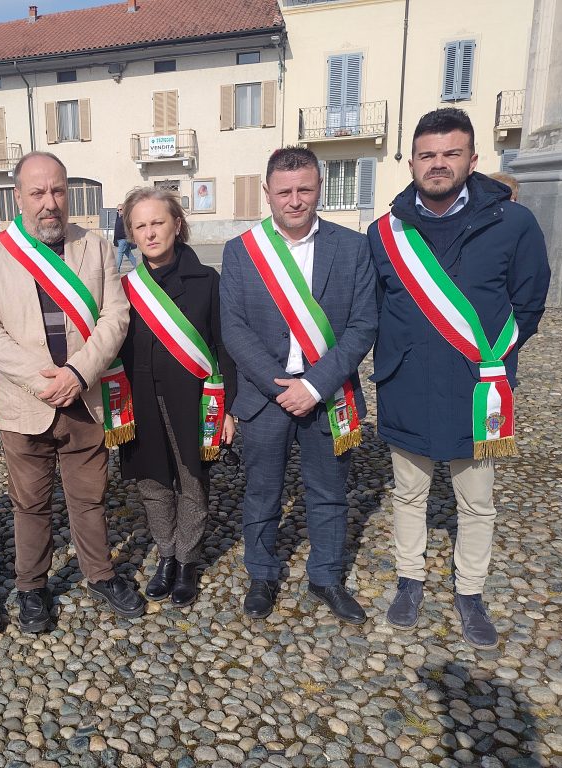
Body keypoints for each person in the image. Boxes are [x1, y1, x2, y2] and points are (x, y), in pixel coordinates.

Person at [367, 108, 550, 649]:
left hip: (479, 389)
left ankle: (470, 591)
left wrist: (492, 357)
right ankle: (410, 579)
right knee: (408, 493)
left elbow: (529, 302)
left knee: (477, 501)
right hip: (406, 384)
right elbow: (374, 308)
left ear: (473, 159)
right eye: (427, 155)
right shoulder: (385, 233)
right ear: (411, 163)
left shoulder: (514, 223)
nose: (438, 164)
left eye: (451, 153)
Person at [0, 151, 144, 632]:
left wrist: (79, 373)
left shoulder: (95, 247)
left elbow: (115, 316)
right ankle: (31, 586)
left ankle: (100, 575)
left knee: (90, 497)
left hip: (84, 396)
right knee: (29, 503)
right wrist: (43, 378)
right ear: (18, 197)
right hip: (26, 401)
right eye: (38, 192)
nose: (50, 202)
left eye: (58, 191)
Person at [221, 146, 377, 624]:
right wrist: (281, 387)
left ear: (319, 189)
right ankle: (262, 573)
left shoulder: (353, 248)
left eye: (304, 189)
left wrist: (313, 386)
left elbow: (363, 326)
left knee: (329, 492)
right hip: (265, 396)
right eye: (284, 191)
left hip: (328, 394)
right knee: (262, 490)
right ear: (267, 193)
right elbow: (234, 329)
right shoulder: (241, 251)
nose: (294, 200)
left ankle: (326, 576)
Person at [118, 188, 237, 607]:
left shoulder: (207, 281)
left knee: (192, 481)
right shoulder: (126, 288)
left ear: (177, 225)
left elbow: (223, 348)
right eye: (140, 226)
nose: (150, 233)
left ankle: (187, 561)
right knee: (152, 482)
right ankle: (166, 555)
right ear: (131, 234)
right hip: (141, 400)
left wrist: (228, 410)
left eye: (158, 222)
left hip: (193, 400)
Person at [113, 203, 136, 272]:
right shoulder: (119, 218)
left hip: (124, 239)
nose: (119, 211)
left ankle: (117, 270)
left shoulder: (126, 218)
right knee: (128, 253)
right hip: (119, 239)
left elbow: (130, 228)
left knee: (120, 253)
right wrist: (115, 240)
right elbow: (116, 229)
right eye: (118, 210)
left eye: (121, 209)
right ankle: (137, 266)